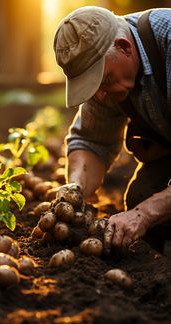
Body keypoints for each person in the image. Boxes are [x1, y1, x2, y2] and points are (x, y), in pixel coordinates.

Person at [53, 6, 171, 254]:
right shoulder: (110, 79)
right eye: (91, 85)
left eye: (102, 80)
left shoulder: (168, 41)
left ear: (124, 47)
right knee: (143, 194)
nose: (99, 94)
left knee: (147, 209)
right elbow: (90, 141)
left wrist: (145, 214)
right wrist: (74, 192)